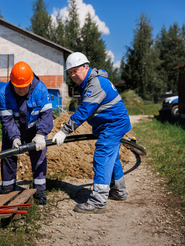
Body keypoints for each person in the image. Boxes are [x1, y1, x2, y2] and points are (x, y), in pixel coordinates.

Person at [52, 52, 131, 214]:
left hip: (113, 125)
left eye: (76, 70)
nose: (73, 75)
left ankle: (98, 202)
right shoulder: (89, 83)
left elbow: (84, 111)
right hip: (109, 125)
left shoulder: (95, 84)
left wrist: (64, 131)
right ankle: (119, 191)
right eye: (70, 72)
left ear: (86, 67)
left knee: (102, 156)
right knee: (112, 157)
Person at [0, 61, 53, 204]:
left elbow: (46, 116)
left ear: (30, 82)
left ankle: (39, 190)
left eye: (24, 87)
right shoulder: (3, 93)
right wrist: (14, 138)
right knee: (8, 156)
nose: (21, 91)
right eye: (18, 87)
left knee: (39, 156)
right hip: (13, 129)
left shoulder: (41, 90)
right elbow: (7, 120)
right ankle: (8, 189)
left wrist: (41, 134)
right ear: (12, 82)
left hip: (35, 129)